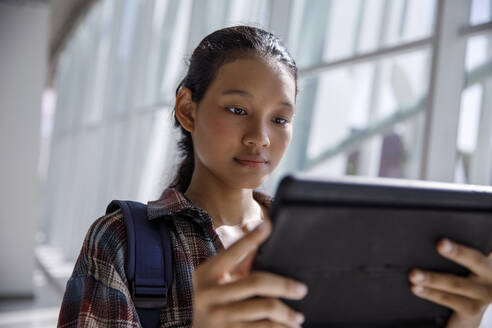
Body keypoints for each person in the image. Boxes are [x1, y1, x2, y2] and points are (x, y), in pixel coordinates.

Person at [58, 25, 492, 328]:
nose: (259, 138)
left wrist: (463, 319)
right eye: (237, 110)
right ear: (187, 109)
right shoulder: (121, 241)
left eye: (280, 119)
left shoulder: (324, 243)